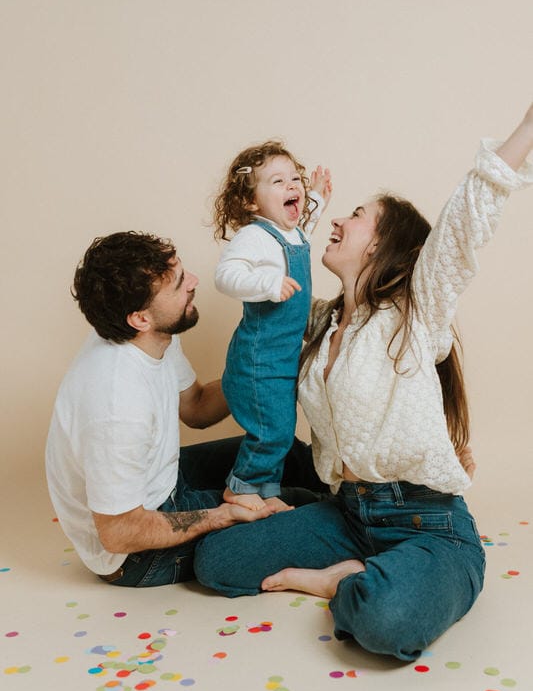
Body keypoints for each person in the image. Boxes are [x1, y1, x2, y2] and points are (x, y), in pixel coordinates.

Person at [194, 102, 533, 661]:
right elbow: (262, 356)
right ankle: (336, 542)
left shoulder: (415, 312)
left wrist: (525, 129)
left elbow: (466, 221)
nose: (336, 220)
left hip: (427, 525)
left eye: (354, 215)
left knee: (387, 618)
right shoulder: (321, 321)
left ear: (379, 244)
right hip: (347, 513)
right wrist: (196, 401)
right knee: (218, 562)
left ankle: (342, 581)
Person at [45, 231, 324, 588]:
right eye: (178, 284)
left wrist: (260, 367)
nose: (193, 282)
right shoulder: (116, 403)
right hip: (134, 551)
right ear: (140, 318)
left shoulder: (152, 335)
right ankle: (360, 529)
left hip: (160, 481)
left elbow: (196, 408)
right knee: (291, 504)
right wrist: (219, 516)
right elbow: (118, 532)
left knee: (289, 457)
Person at [213, 141, 332, 511]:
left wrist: (315, 195)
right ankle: (242, 487)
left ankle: (267, 491)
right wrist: (266, 285)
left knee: (281, 426)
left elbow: (303, 225)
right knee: (272, 430)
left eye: (294, 179)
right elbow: (225, 276)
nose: (292, 186)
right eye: (278, 182)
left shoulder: (290, 230)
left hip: (282, 358)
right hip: (258, 359)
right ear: (251, 203)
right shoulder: (255, 236)